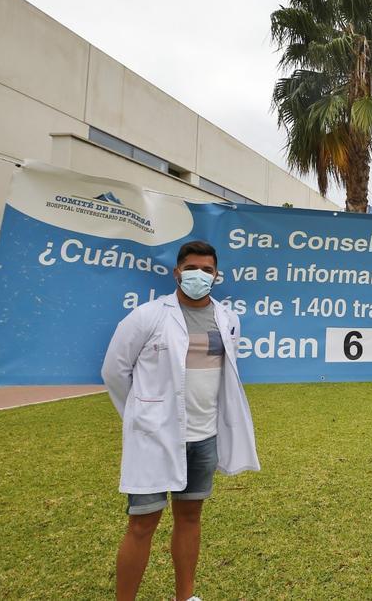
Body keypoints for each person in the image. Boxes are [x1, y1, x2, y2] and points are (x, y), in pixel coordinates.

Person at [101, 240, 260, 601]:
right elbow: (114, 371)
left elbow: (224, 373)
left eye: (207, 270)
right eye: (192, 268)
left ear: (216, 276)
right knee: (142, 524)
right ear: (176, 272)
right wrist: (141, 416)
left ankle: (185, 596)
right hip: (155, 437)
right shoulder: (147, 316)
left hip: (204, 436)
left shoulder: (228, 319)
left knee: (190, 518)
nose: (199, 275)